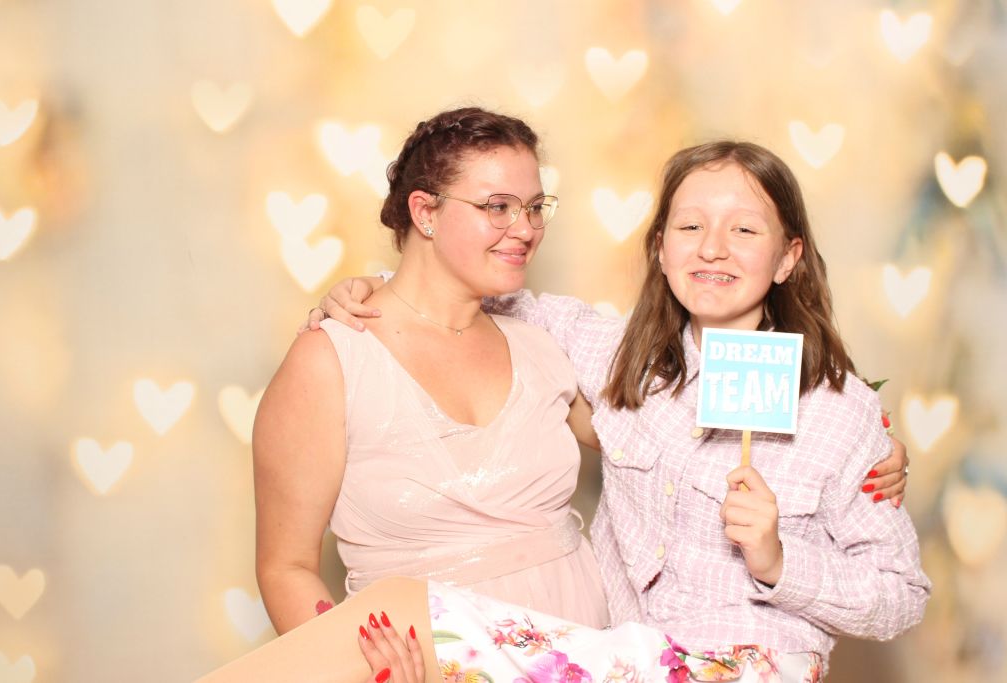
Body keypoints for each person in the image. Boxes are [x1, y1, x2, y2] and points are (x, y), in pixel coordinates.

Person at [312, 140, 929, 680]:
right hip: (621, 656)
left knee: (454, 637)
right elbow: (467, 295)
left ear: (788, 257)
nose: (713, 249)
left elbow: (901, 597)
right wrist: (372, 287)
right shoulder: (613, 356)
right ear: (660, 248)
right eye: (690, 227)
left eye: (744, 231)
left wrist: (779, 560)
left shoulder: (838, 408)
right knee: (437, 628)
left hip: (755, 665)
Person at [251, 106, 612, 653]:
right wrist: (359, 667)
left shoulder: (541, 344)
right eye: (499, 207)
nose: (526, 229)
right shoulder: (331, 358)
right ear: (425, 212)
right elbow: (286, 567)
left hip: (586, 656)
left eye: (536, 208)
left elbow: (649, 451)